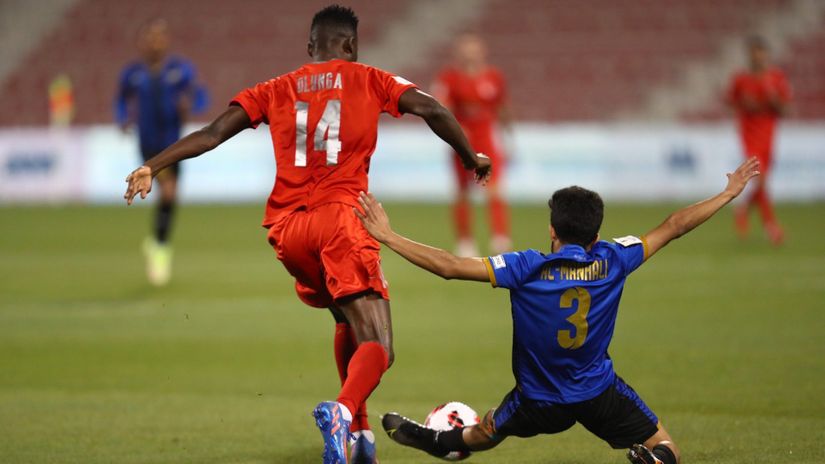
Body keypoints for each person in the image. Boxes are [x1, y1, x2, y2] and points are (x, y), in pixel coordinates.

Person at [123, 5, 490, 464]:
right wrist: (470, 156)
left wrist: (152, 165)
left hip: (288, 229)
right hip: (341, 220)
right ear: (351, 45)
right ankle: (343, 411)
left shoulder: (274, 88)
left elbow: (213, 133)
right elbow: (432, 108)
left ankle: (360, 436)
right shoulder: (370, 78)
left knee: (345, 320)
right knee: (379, 345)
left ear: (310, 47)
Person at [355, 159, 762, 464]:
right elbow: (674, 225)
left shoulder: (526, 267)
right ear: (596, 235)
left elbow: (449, 266)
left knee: (489, 429)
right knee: (667, 446)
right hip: (598, 393)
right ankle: (655, 461)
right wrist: (727, 193)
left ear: (552, 230)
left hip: (538, 399)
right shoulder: (614, 258)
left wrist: (388, 236)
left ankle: (436, 441)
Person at [115, 18, 208, 285]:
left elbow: (201, 96)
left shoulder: (180, 70)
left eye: (159, 37)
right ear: (142, 42)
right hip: (147, 143)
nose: (155, 42)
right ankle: (160, 247)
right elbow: (120, 99)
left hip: (174, 144)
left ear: (166, 41)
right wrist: (122, 118)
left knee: (169, 194)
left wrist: (190, 104)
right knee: (167, 193)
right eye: (150, 37)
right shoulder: (133, 73)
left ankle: (158, 244)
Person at [433, 33, 513, 256]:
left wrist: (508, 135)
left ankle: (500, 238)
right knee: (462, 191)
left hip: (486, 137)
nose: (470, 54)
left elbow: (502, 107)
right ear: (458, 53)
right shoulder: (449, 78)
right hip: (462, 140)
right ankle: (465, 242)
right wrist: (454, 131)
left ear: (482, 52)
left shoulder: (494, 77)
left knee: (494, 189)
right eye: (466, 50)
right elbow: (442, 107)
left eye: (474, 49)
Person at [727, 36, 791, 246]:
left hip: (769, 137)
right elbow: (731, 101)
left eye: (761, 54)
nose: (758, 58)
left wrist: (774, 101)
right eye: (755, 54)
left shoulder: (776, 78)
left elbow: (785, 109)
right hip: (749, 137)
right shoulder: (741, 80)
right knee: (761, 179)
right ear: (750, 56)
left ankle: (743, 209)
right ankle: (771, 227)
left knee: (762, 183)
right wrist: (744, 106)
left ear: (766, 56)